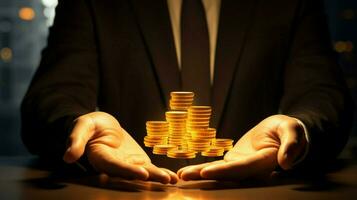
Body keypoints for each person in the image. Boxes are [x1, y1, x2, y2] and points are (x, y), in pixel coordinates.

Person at [21, 0, 353, 184]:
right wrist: (77, 128)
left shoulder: (290, 3)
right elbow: (52, 95)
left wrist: (299, 128)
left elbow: (323, 93)